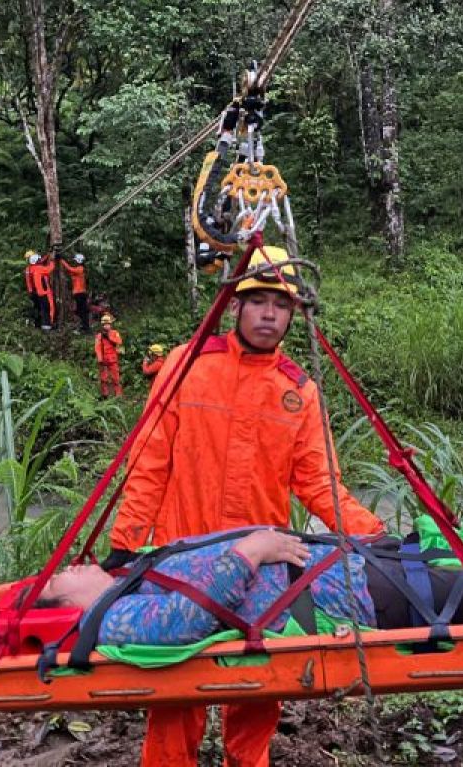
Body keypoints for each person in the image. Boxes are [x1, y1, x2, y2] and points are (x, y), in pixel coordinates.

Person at [108, 245, 386, 767]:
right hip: (182, 560)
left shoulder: (298, 392)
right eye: (256, 300)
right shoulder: (186, 366)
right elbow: (148, 464)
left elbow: (320, 483)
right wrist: (125, 546)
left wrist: (375, 536)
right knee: (174, 692)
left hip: (262, 570)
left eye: (278, 304)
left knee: (259, 688)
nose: (267, 314)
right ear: (235, 306)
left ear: (292, 313)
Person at [39, 529, 463, 644]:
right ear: (62, 601)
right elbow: (184, 622)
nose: (74, 564)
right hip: (347, 596)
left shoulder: (126, 588)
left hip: (338, 571)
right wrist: (253, 551)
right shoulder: (108, 618)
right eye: (62, 572)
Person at [59, 252, 90, 333]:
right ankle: (83, 327)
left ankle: (85, 328)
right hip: (77, 293)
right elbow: (69, 271)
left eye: (76, 261)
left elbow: (69, 269)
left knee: (82, 311)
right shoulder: (77, 269)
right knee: (79, 311)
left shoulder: (80, 269)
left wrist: (62, 260)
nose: (75, 262)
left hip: (80, 293)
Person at [95, 312, 123, 398]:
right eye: (104, 325)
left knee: (116, 378)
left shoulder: (115, 333)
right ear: (102, 325)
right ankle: (105, 395)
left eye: (108, 324)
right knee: (104, 378)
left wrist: (109, 337)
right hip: (103, 360)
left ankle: (118, 394)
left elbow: (119, 341)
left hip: (113, 359)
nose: (106, 326)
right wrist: (99, 358)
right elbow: (97, 347)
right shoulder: (99, 336)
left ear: (110, 325)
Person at [29, 253, 54, 331]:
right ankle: (46, 326)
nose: (40, 260)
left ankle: (39, 325)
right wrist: (52, 260)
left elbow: (41, 261)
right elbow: (50, 268)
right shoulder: (39, 268)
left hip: (37, 293)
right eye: (39, 260)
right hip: (43, 293)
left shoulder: (31, 268)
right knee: (46, 309)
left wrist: (47, 255)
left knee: (40, 309)